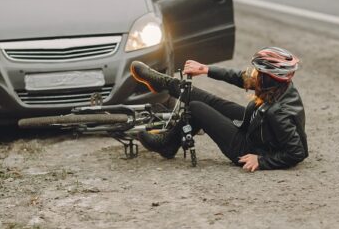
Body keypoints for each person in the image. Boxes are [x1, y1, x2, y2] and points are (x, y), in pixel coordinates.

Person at [130, 47, 308, 172]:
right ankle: (164, 83)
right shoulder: (277, 86)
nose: (255, 75)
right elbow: (241, 77)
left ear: (271, 78)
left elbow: (297, 152)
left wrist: (261, 161)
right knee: (211, 100)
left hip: (246, 147)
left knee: (196, 108)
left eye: (259, 73)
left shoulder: (278, 113)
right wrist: (205, 69)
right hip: (256, 126)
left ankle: (167, 144)